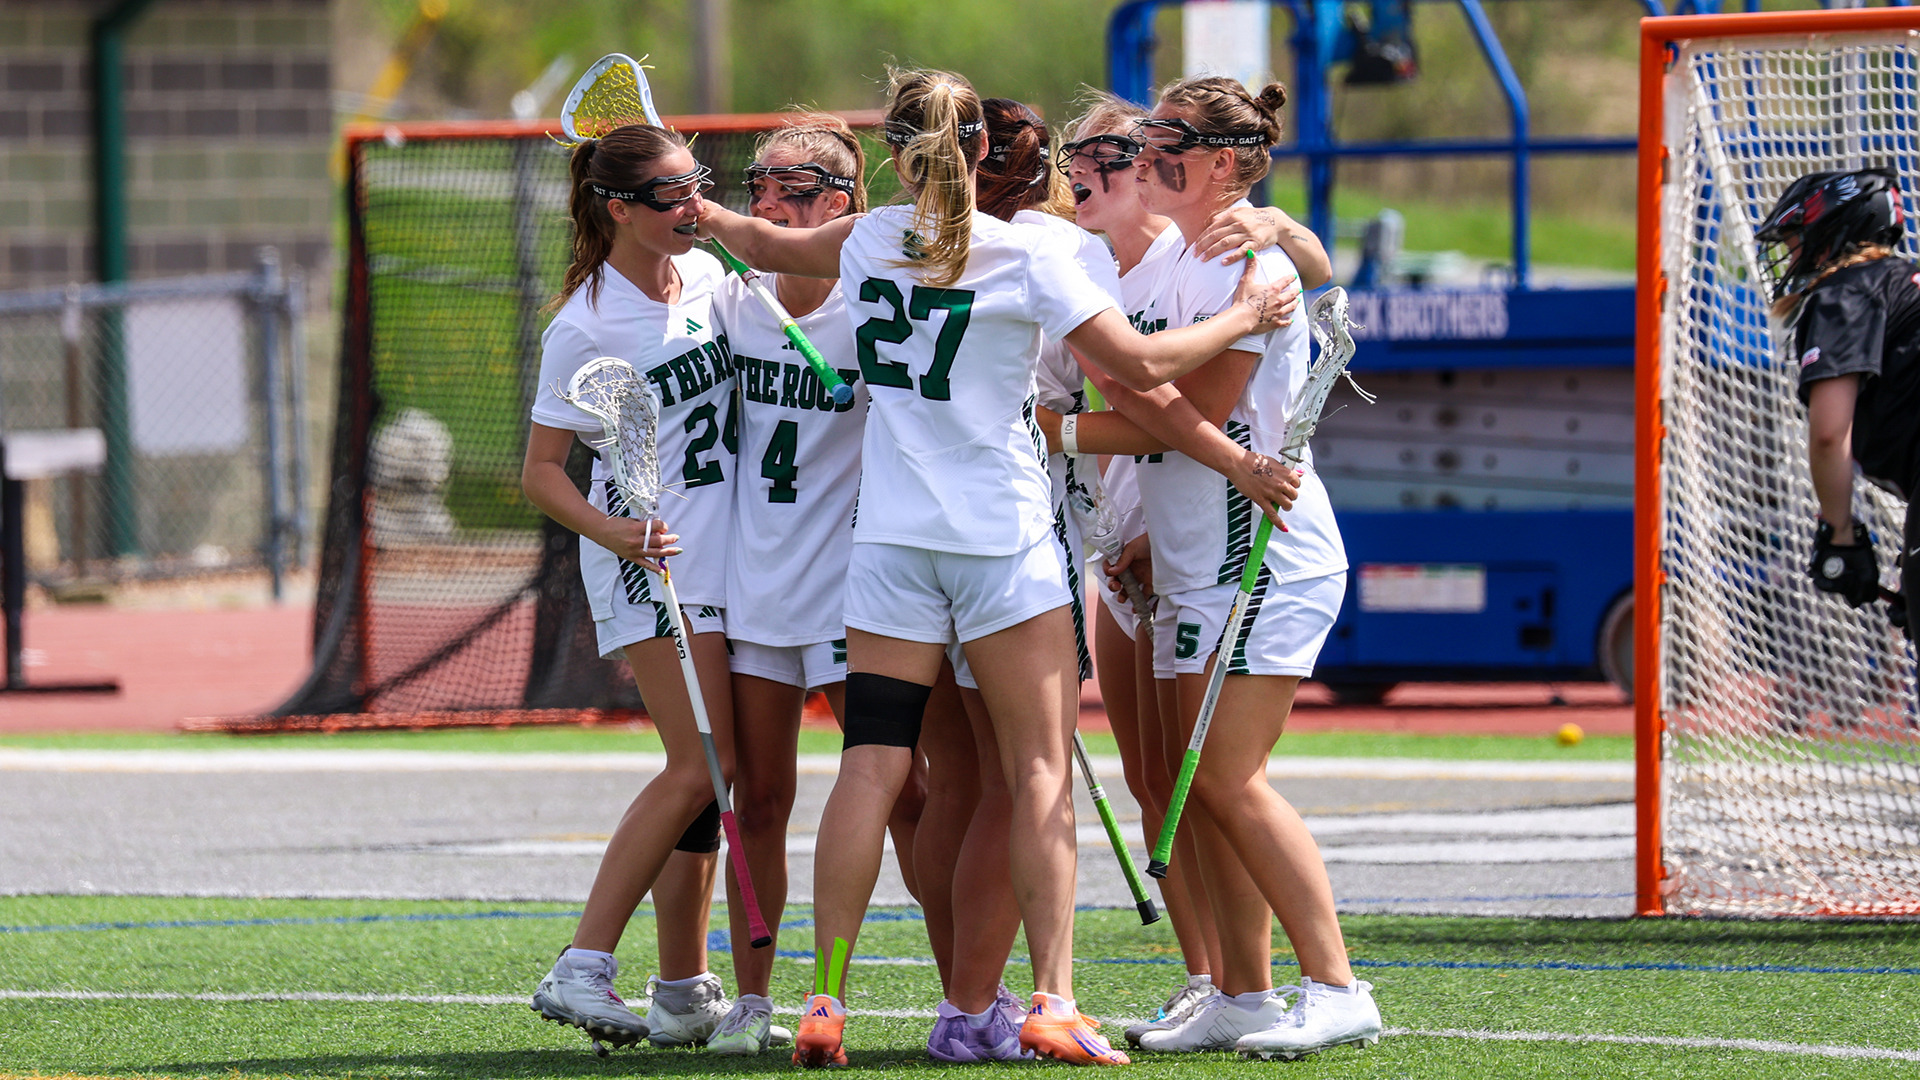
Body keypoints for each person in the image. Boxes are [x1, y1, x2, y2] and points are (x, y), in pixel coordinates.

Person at [698, 67, 1302, 1068]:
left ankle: (826, 999)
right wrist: (1251, 315)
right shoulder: (1024, 254)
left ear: (896, 153)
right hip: (1002, 544)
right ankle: (1054, 1000)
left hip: (890, 547)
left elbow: (756, 240)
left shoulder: (869, 239)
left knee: (869, 768)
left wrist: (693, 201)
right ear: (980, 150)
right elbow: (1145, 370)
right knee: (1037, 773)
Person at [1067, 75, 1382, 1059]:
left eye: (1159, 142)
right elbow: (1158, 403)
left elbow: (1185, 399)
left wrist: (1051, 424)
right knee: (1193, 784)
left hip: (1263, 551)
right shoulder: (1168, 266)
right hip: (1194, 557)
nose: (1134, 158)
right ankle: (1242, 993)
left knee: (1230, 776)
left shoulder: (1246, 264)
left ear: (1212, 161)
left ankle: (1336, 982)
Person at [520, 123, 746, 1053]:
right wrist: (617, 530)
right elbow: (541, 470)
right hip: (644, 562)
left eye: (697, 184)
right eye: (668, 194)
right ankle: (581, 965)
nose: (690, 205)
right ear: (618, 207)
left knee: (713, 776)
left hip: (726, 554)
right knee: (700, 766)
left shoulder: (709, 279)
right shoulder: (584, 325)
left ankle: (684, 988)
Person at [709, 113, 927, 1054]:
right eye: (758, 184)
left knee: (905, 793)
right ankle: (752, 1000)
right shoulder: (728, 302)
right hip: (758, 586)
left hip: (856, 593)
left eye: (793, 188)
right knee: (757, 801)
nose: (767, 203)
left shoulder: (878, 305)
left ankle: (967, 983)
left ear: (842, 205)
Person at [1754, 166, 1920, 638]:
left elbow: (1829, 434)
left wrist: (1840, 535)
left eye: (1793, 241)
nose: (1789, 257)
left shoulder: (1847, 290)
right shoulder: (1905, 286)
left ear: (1830, 233)